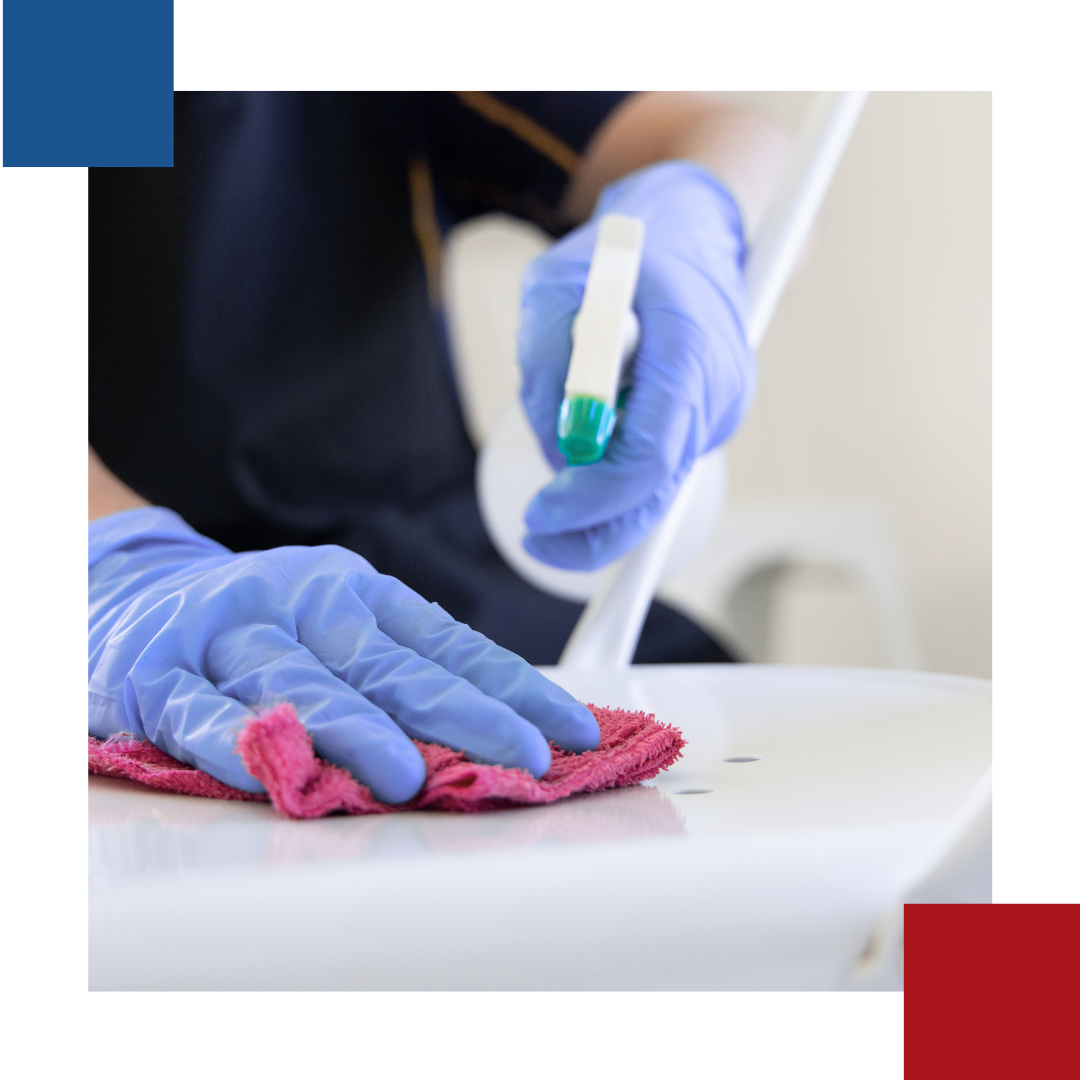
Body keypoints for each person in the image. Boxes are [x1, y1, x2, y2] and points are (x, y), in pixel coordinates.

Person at [89, 92, 790, 803]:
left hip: (439, 581)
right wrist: (113, 558)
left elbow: (727, 138)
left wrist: (695, 209)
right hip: (152, 628)